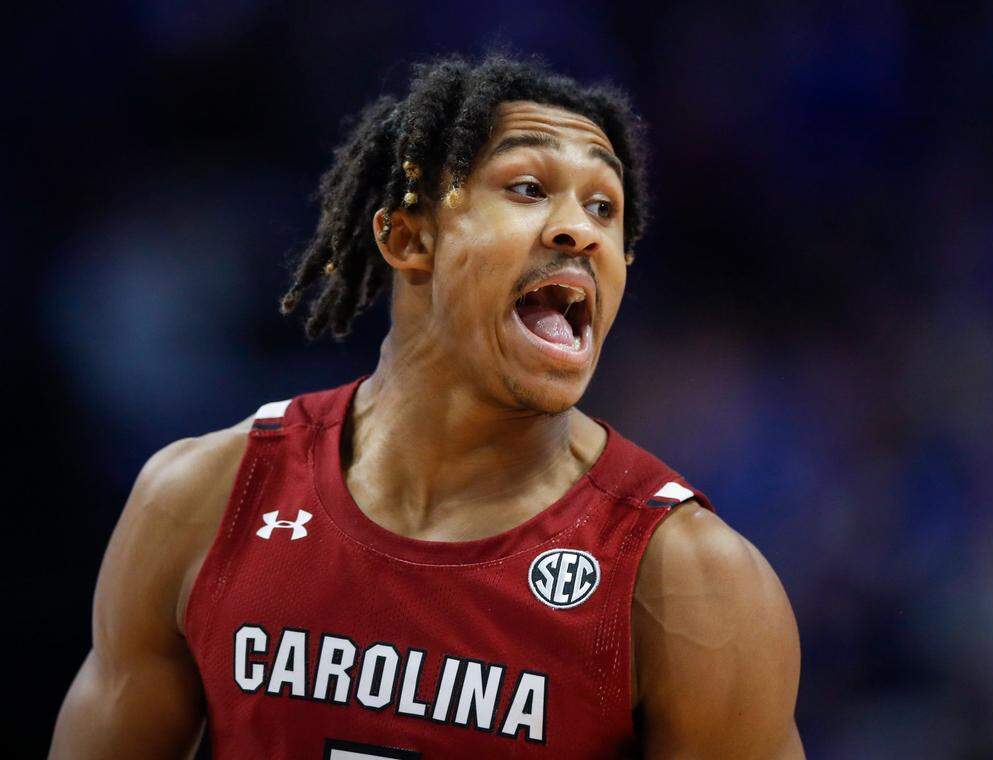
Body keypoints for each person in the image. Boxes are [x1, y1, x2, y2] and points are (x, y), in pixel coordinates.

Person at [50, 52, 804, 759]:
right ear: (409, 237)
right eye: (528, 188)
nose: (582, 230)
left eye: (605, 207)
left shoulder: (690, 582)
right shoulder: (204, 499)